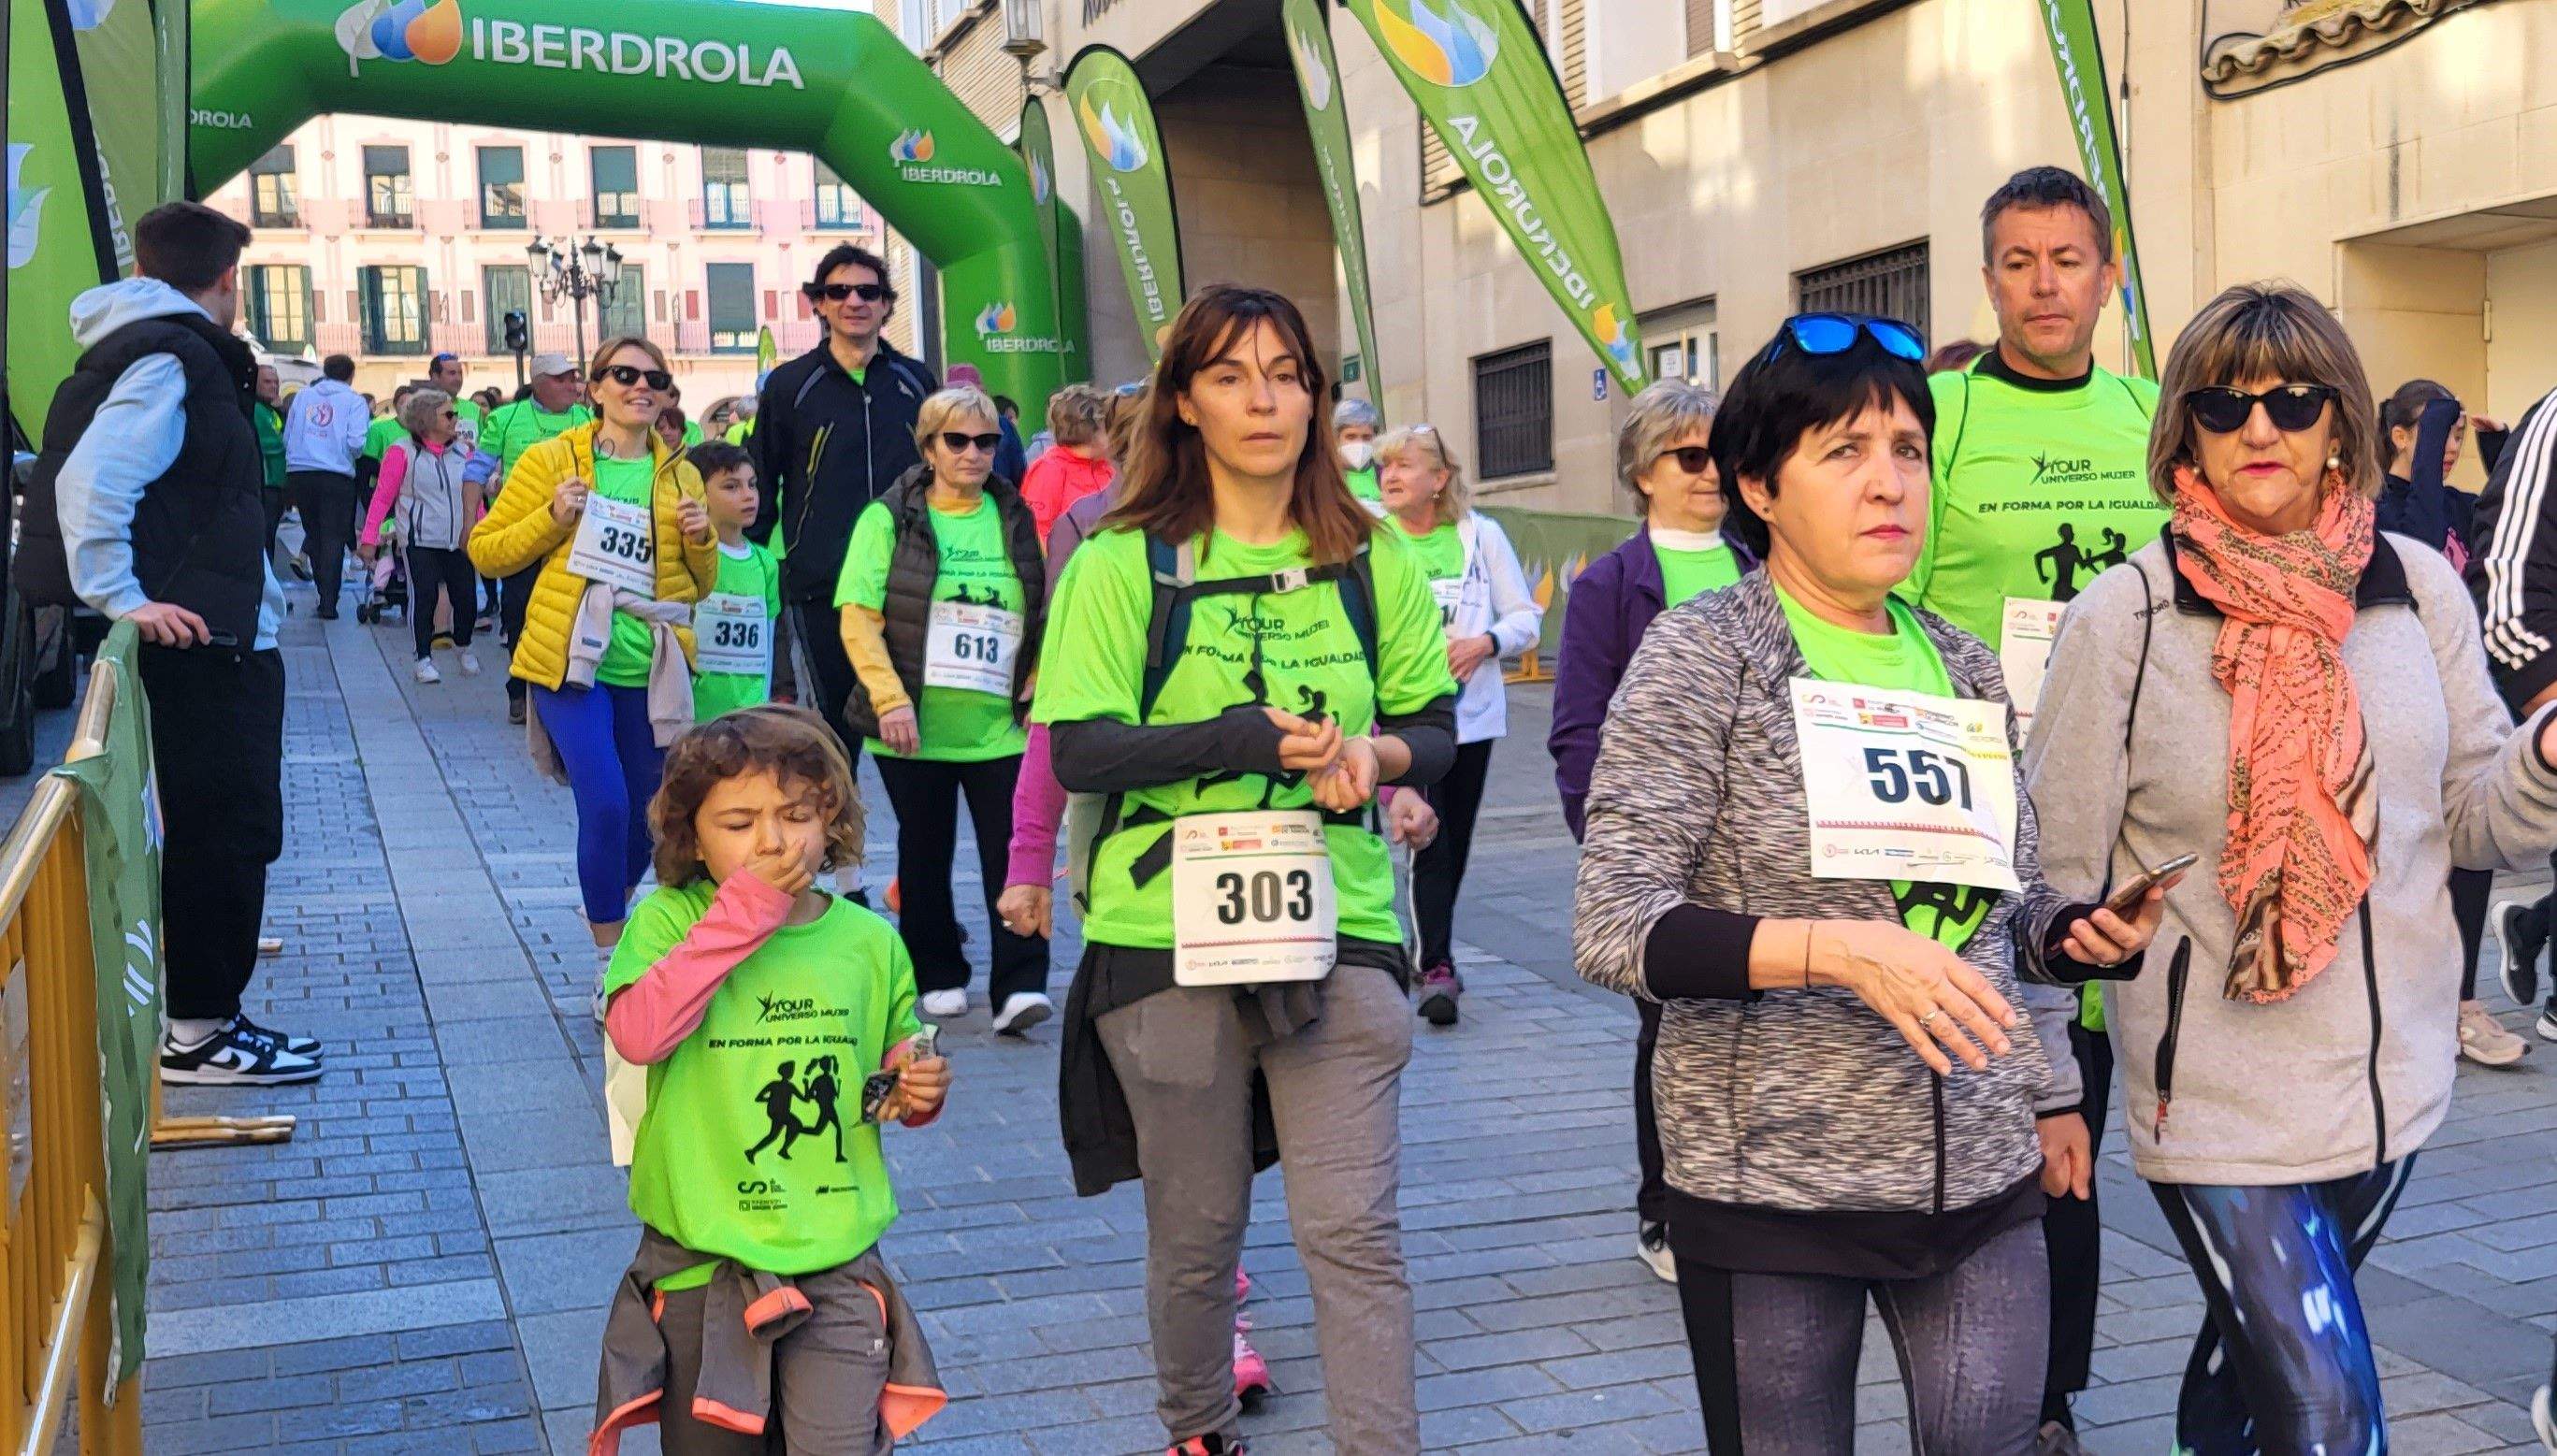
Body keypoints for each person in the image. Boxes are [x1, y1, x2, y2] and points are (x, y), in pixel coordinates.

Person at [1574, 311, 2162, 1451]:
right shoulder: (1705, 655)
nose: (1888, 482)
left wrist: (2073, 937)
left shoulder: (1961, 662)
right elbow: (1615, 924)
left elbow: (2003, 903)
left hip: (1979, 1166)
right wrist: (1838, 952)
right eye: (1843, 451)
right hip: (1772, 1191)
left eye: (1907, 450)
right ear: (1759, 485)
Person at [2027, 282, 2557, 1454]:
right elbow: (2047, 877)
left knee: (2242, 1389)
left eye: (2292, 400)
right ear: (2185, 433)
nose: (2258, 428)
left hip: (2388, 1088)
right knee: (2326, 1413)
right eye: (2223, 405)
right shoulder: (2126, 616)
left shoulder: (2416, 588)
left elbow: (2476, 825)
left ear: (2339, 424)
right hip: (2217, 1103)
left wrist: (2545, 757)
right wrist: (2052, 1083)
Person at [1037, 285, 1457, 1456]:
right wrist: (1235, 741)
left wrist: (1371, 757)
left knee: (1352, 1230)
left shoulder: (1372, 555)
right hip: (1163, 934)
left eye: (1285, 374)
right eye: (1229, 376)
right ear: (1185, 401)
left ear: (1316, 398)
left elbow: (1431, 727)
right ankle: (1198, 1429)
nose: (1262, 400)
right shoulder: (1121, 561)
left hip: (1341, 925)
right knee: (1197, 1230)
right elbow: (1079, 751)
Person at [1898, 165, 2165, 1451]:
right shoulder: (1938, 415)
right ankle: (1982, 1383)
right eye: (2017, 262)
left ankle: (2047, 1399)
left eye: (2067, 260)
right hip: (1976, 819)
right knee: (1999, 1101)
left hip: (2125, 817)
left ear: (2106, 277)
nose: (2043, 285)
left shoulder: (2156, 415)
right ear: (1987, 278)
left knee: (2077, 1112)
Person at [591, 705, 948, 1456]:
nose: (773, 841)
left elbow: (889, 1062)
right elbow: (638, 1032)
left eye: (796, 815)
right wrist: (742, 915)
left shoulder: (868, 940)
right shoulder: (667, 921)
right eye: (739, 822)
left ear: (832, 820)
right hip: (704, 1265)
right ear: (692, 837)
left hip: (835, 1258)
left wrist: (914, 1089)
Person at [20, 200, 319, 1084]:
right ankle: (199, 1032)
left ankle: (207, 1020)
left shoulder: (154, 348)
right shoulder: (173, 358)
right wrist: (126, 597)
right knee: (222, 830)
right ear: (229, 279)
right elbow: (92, 483)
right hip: (204, 644)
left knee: (220, 827)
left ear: (146, 268)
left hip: (214, 631)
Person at [1547, 378, 1753, 1284]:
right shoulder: (1607, 586)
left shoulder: (1765, 564)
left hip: (1766, 850)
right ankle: (1664, 1211)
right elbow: (1576, 730)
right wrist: (1612, 850)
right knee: (1669, 1033)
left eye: (1723, 454)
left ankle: (1753, 1201)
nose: (1712, 473)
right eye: (1690, 456)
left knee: (1764, 1028)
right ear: (1643, 471)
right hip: (1662, 855)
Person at [467, 337, 717, 980]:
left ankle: (609, 903)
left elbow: (699, 586)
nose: (641, 387)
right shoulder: (552, 459)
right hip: (570, 661)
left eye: (654, 378)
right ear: (596, 388)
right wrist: (553, 516)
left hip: (650, 666)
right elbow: (487, 551)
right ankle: (611, 962)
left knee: (647, 815)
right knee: (604, 802)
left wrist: (702, 540)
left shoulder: (681, 473)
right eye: (624, 375)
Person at [834, 385, 1049, 1031]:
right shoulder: (886, 518)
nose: (973, 453)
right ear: (928, 447)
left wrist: (1038, 676)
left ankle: (1021, 984)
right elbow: (858, 617)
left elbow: (1043, 605)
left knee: (1012, 850)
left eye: (986, 441)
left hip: (1000, 725)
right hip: (913, 725)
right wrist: (889, 699)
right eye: (957, 440)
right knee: (925, 850)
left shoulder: (1015, 515)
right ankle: (936, 972)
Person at [748, 243, 940, 843]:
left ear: (886, 306)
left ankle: (919, 879)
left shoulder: (916, 381)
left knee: (914, 732)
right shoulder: (790, 385)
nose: (854, 301)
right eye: (839, 292)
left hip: (911, 583)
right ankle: (842, 865)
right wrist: (749, 566)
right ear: (819, 305)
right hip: (821, 583)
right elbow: (762, 481)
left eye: (868, 292)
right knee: (835, 732)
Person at [2373, 380, 2525, 1065]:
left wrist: (2501, 452)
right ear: (2400, 435)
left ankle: (2462, 1006)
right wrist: (2436, 428)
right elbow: (2424, 547)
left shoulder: (2462, 503)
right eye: (2439, 430)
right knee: (2407, 861)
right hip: (2403, 703)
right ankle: (2407, 1003)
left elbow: (2506, 529)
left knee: (2471, 853)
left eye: (2457, 433)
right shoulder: (2377, 506)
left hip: (2464, 697)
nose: (2451, 445)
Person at [1372, 425, 1539, 1026]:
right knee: (1427, 839)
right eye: (1385, 467)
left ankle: (1426, 951)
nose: (1390, 476)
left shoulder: (1480, 536)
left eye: (1404, 466)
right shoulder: (1370, 538)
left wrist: (1484, 643)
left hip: (1470, 720)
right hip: (1396, 719)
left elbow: (1526, 619)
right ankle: (1434, 964)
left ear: (1440, 479)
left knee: (1454, 840)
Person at [481, 353, 596, 724]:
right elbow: (475, 471)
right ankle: (519, 691)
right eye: (562, 379)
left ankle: (560, 692)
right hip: (524, 535)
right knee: (518, 614)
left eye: (574, 378)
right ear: (539, 382)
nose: (572, 386)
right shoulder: (505, 418)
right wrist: (471, 521)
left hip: (573, 539)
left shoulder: (588, 419)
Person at [359, 388, 484, 683]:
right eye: (449, 414)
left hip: (460, 539)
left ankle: (463, 645)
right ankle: (423, 658)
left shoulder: (465, 451)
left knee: (467, 599)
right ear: (426, 419)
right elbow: (382, 498)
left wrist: (483, 528)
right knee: (424, 597)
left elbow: (474, 497)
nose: (456, 419)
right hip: (419, 540)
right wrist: (369, 538)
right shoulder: (401, 452)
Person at [686, 442, 783, 724]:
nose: (748, 495)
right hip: (695, 716)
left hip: (747, 717)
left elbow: (767, 644)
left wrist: (763, 705)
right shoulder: (691, 554)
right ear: (698, 492)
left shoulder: (765, 563)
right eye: (731, 487)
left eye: (752, 485)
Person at [281, 353, 370, 620]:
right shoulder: (354, 401)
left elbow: (288, 435)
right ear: (351, 375)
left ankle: (322, 593)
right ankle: (329, 601)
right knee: (333, 536)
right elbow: (356, 442)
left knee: (314, 532)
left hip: (301, 472)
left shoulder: (303, 396)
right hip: (336, 474)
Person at [1019, 383, 1116, 543]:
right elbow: (1038, 532)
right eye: (1109, 425)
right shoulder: (1049, 470)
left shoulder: (1108, 467)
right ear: (1092, 430)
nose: (1115, 433)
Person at [253, 364, 290, 564]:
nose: (274, 386)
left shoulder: (271, 411)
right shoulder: (256, 409)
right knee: (265, 537)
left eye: (276, 382)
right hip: (266, 484)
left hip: (276, 484)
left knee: (270, 535)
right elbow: (271, 444)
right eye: (267, 382)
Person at [1333, 397, 1382, 504]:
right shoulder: (1323, 478)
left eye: (1367, 437)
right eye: (1351, 436)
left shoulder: (1386, 475)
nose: (1359, 443)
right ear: (1336, 439)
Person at [427, 352, 482, 442]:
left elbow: (480, 446)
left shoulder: (474, 409)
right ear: (435, 376)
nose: (458, 378)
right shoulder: (419, 408)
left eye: (460, 373)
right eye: (452, 373)